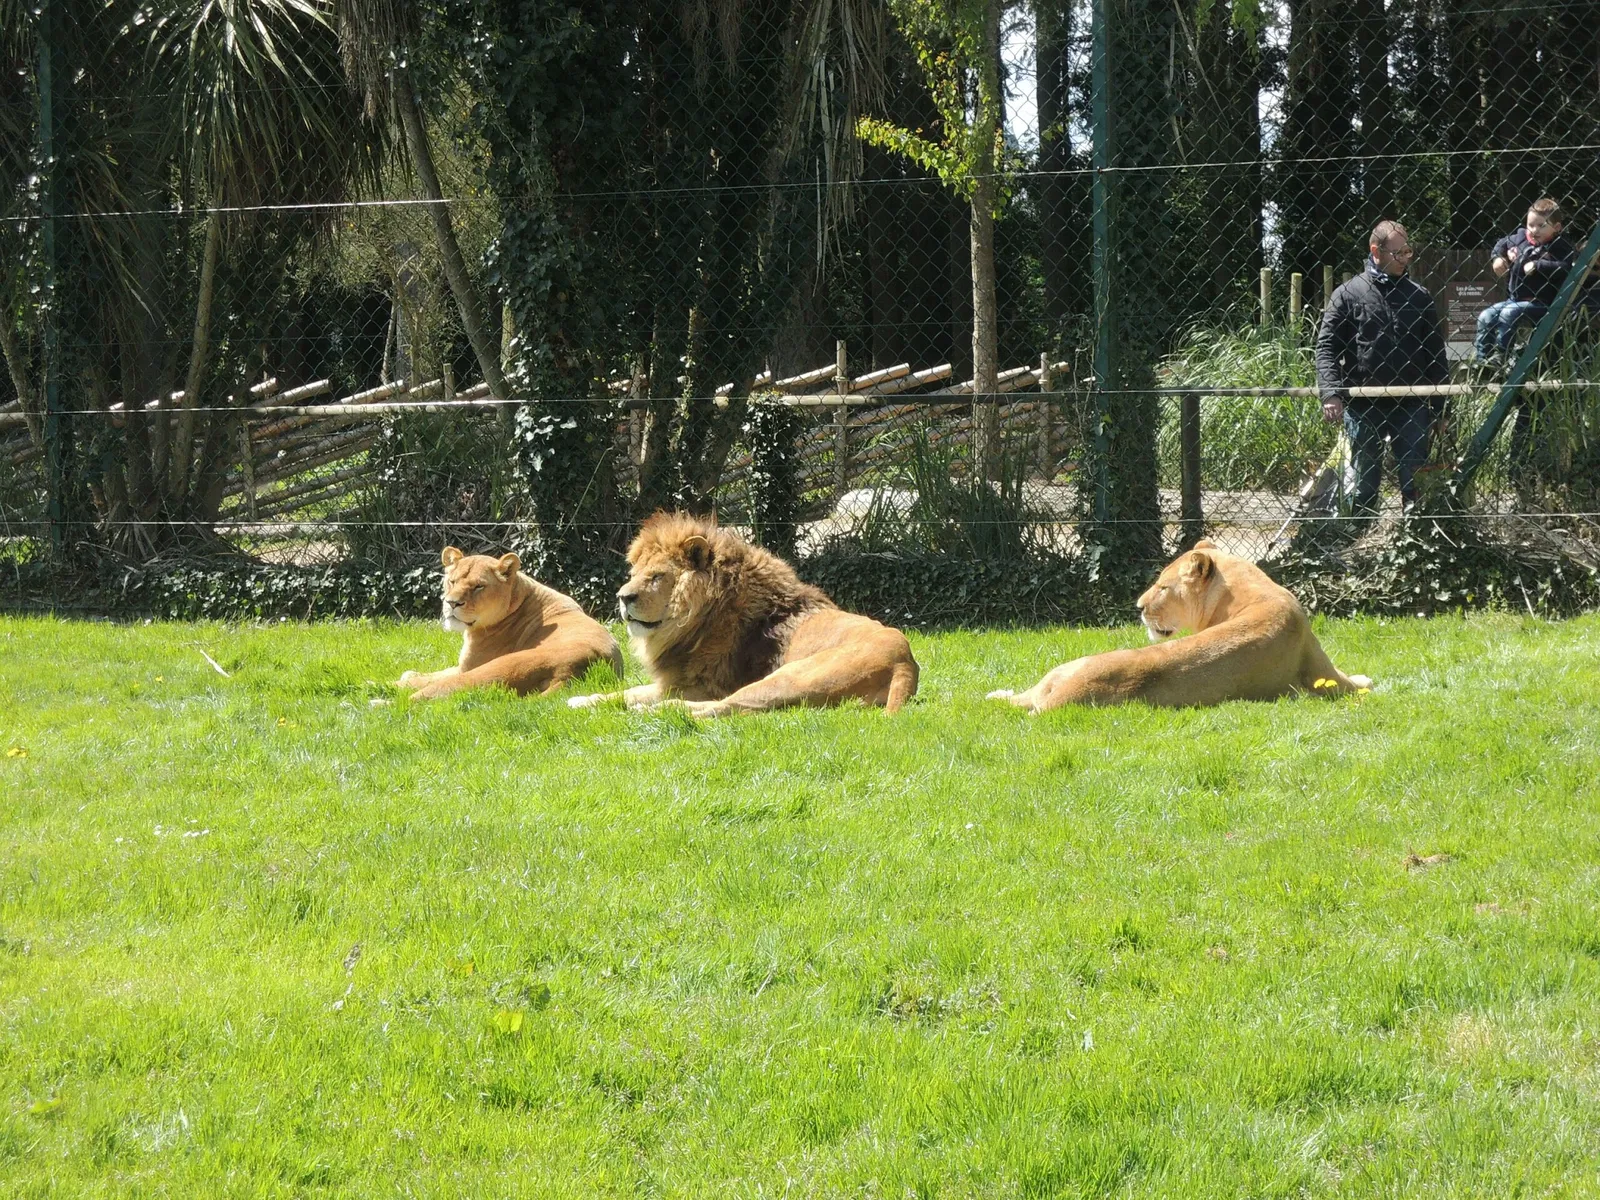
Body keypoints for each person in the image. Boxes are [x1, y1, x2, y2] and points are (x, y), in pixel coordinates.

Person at [1315, 220, 1449, 517]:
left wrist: (1441, 410)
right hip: (1364, 403)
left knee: (1415, 478)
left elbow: (1435, 355)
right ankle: (1358, 537)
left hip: (1413, 401)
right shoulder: (1348, 294)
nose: (1405, 258)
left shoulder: (1419, 296)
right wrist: (1330, 393)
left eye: (1408, 252)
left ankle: (1417, 536)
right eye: (1398, 252)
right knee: (1364, 482)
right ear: (1375, 250)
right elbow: (1326, 348)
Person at [1474, 197, 1575, 364]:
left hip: (1543, 303)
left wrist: (1538, 265)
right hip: (1514, 300)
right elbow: (1501, 244)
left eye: (1541, 226)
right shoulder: (1519, 238)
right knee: (1486, 315)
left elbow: (1564, 266)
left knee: (1508, 313)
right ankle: (1482, 361)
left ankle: (1500, 357)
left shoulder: (1560, 245)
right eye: (1531, 225)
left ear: (1556, 228)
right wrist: (1498, 258)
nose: (1534, 230)